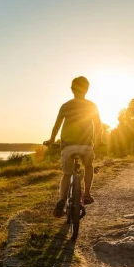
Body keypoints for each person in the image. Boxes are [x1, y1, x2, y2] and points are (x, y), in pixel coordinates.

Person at [43, 76, 102, 218]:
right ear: (87, 89)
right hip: (86, 146)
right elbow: (98, 125)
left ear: (72, 89)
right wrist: (98, 141)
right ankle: (87, 194)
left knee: (67, 174)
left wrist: (51, 140)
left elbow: (57, 125)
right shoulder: (92, 106)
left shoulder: (65, 106)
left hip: (68, 146)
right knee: (88, 166)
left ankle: (62, 199)